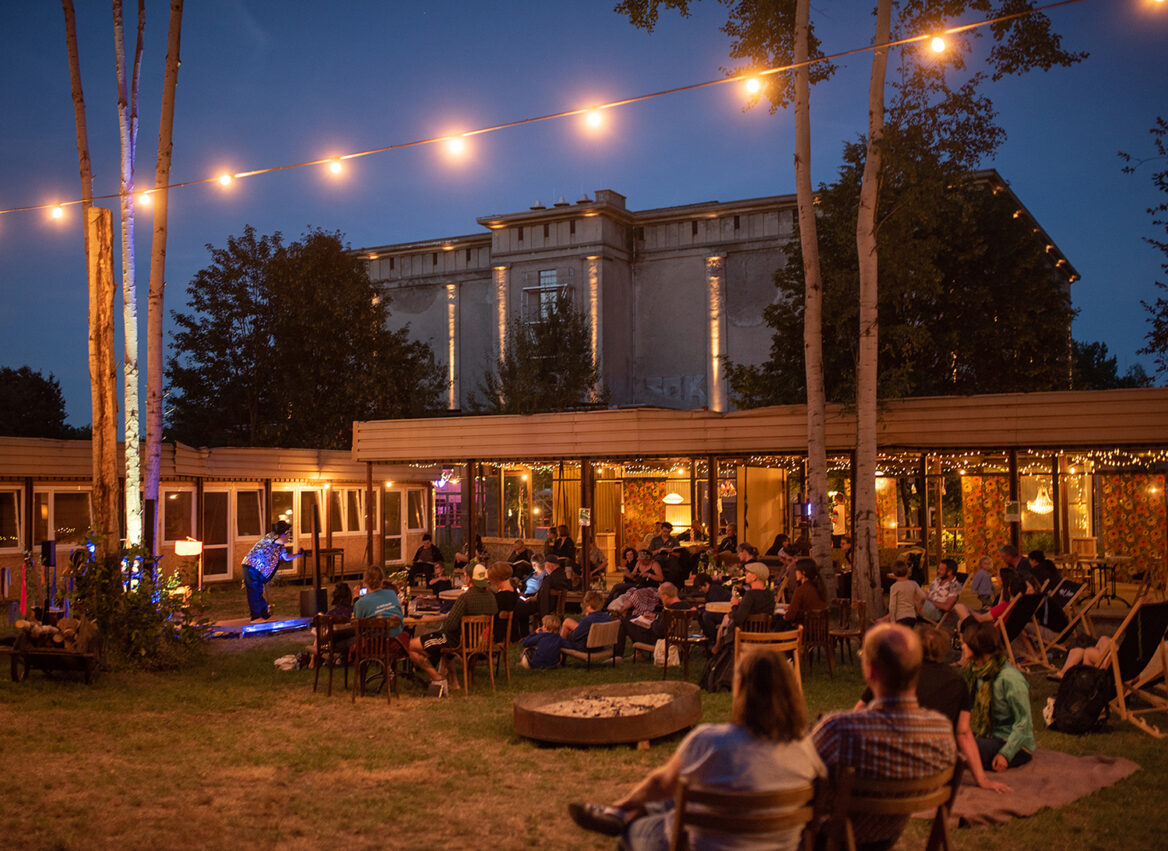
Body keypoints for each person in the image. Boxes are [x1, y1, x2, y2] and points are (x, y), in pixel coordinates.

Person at [568, 646, 826, 849]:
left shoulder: (710, 740)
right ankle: (617, 814)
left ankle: (619, 814)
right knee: (676, 796)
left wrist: (624, 804)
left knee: (640, 825)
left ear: (739, 688)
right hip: (778, 845)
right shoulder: (805, 745)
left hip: (698, 844)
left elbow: (660, 784)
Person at [812, 624, 957, 850]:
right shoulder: (941, 732)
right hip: (888, 835)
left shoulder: (839, 731)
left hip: (830, 840)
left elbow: (799, 781)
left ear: (871, 671)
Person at [959, 620, 1035, 773]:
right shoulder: (976, 673)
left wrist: (1005, 754)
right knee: (949, 738)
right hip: (989, 736)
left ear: (978, 646)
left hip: (1013, 744)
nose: (963, 646)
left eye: (966, 643)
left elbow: (1024, 722)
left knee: (964, 748)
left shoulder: (1009, 678)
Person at [413, 562, 498, 687]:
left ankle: (438, 677)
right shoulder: (491, 597)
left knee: (410, 645)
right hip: (481, 642)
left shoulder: (465, 598)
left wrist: (448, 616)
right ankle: (454, 681)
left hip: (459, 642)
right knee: (442, 644)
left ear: (469, 578)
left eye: (465, 576)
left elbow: (450, 626)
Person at [241, 520, 303, 621]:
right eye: (288, 532)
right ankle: (255, 616)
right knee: (253, 591)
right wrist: (287, 536)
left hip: (259, 569)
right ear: (285, 532)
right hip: (251, 566)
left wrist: (298, 554)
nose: (289, 535)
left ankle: (264, 614)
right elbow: (282, 540)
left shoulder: (280, 545)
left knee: (258, 591)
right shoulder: (271, 536)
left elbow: (286, 557)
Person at [352, 565, 414, 665]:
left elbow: (359, 627)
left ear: (365, 582)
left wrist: (356, 598)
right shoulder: (391, 594)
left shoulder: (360, 603)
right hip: (395, 641)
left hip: (373, 645)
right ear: (382, 580)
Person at [616, 581, 693, 657]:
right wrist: (656, 617)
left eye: (660, 596)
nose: (661, 599)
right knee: (633, 620)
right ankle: (637, 653)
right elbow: (669, 623)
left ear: (665, 596)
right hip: (677, 638)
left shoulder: (669, 610)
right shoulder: (686, 605)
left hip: (659, 640)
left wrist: (651, 622)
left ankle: (618, 655)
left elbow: (659, 630)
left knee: (624, 621)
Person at [713, 561, 774, 653]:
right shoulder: (770, 595)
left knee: (726, 620)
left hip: (745, 635)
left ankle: (717, 650)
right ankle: (717, 648)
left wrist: (734, 605)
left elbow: (738, 619)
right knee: (726, 619)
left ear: (754, 577)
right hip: (763, 635)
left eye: (748, 572)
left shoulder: (750, 595)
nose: (745, 574)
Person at [776, 558, 828, 629]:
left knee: (780, 623)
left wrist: (785, 616)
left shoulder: (801, 590)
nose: (795, 572)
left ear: (803, 573)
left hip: (806, 630)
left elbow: (790, 616)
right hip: (819, 629)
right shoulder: (819, 587)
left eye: (796, 570)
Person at [878, 559, 925, 626]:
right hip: (912, 617)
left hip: (900, 617)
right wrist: (920, 606)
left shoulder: (894, 587)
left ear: (894, 574)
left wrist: (892, 621)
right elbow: (923, 596)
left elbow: (892, 606)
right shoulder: (913, 584)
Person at [920, 558, 962, 623]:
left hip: (936, 613)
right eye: (939, 568)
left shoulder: (955, 586)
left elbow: (947, 607)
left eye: (941, 570)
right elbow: (927, 594)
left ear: (949, 572)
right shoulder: (937, 580)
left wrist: (928, 601)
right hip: (925, 607)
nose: (938, 571)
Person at [488, 561, 521, 643]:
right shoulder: (514, 592)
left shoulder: (500, 597)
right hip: (512, 631)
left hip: (498, 633)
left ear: (496, 579)